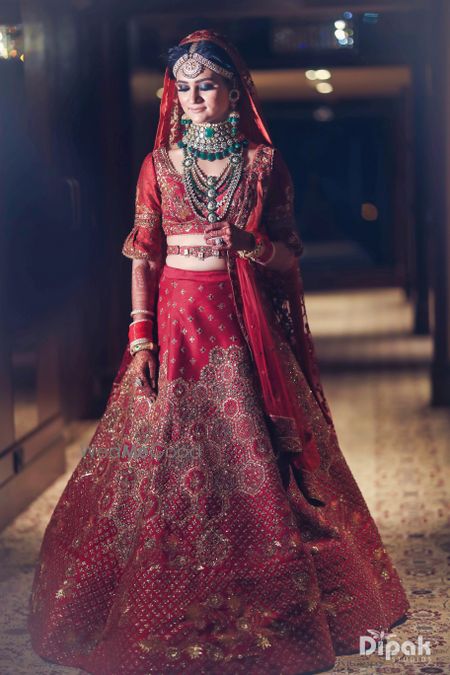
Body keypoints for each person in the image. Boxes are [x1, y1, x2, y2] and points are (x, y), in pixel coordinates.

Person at [28, 29, 410, 675]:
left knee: (262, 455)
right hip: (176, 324)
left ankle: (277, 602)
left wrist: (251, 244)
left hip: (242, 325)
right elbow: (144, 255)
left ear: (235, 92)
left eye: (208, 84)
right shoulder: (159, 166)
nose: (195, 96)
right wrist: (140, 335)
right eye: (185, 86)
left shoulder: (262, 163)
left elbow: (290, 254)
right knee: (164, 457)